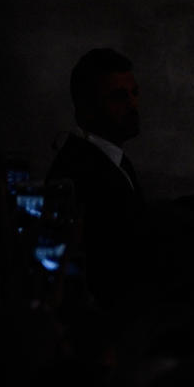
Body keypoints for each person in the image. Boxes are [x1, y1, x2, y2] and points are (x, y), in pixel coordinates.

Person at [47, 45, 145, 302]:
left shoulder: (110, 161)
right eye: (119, 96)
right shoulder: (82, 172)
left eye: (134, 93)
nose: (132, 104)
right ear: (86, 106)